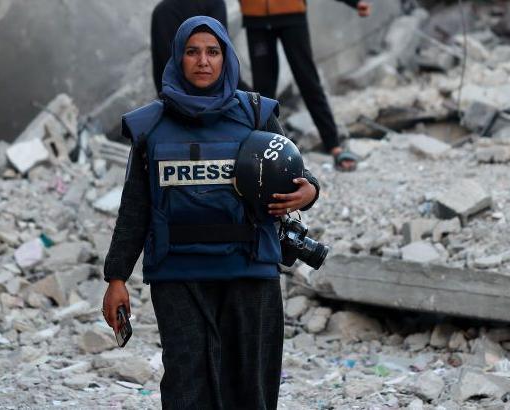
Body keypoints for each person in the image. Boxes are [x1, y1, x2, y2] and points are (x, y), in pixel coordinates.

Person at [102, 16, 321, 409]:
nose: (203, 61)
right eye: (192, 51)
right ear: (178, 58)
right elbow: (135, 206)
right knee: (187, 386)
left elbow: (296, 173)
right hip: (178, 277)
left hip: (250, 271)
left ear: (226, 59)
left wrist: (309, 192)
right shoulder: (152, 126)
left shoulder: (255, 114)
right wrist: (116, 276)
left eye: (213, 52)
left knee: (250, 385)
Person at [240, 0, 372, 171]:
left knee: (308, 80)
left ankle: (334, 145)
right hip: (255, 18)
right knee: (263, 91)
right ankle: (263, 153)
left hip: (291, 14)